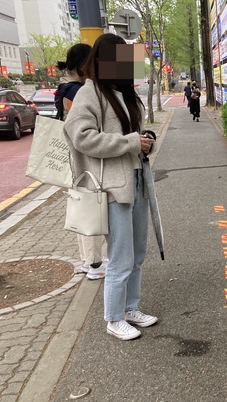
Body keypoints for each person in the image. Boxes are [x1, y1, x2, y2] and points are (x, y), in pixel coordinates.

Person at [64, 33, 157, 341]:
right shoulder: (89, 93)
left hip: (137, 181)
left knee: (138, 253)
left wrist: (145, 140)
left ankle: (130, 308)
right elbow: (81, 136)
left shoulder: (125, 93)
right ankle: (114, 318)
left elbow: (133, 136)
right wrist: (130, 142)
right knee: (121, 256)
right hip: (112, 188)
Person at [55, 43, 108, 281]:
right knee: (91, 210)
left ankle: (88, 261)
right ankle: (94, 263)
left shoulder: (65, 89)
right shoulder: (79, 92)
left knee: (83, 208)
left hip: (75, 159)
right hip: (85, 160)